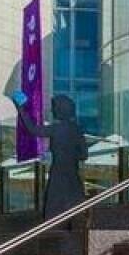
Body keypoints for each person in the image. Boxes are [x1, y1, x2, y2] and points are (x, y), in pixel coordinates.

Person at [12, 91, 87, 219]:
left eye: (54, 108)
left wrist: (21, 109)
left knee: (54, 207)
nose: (52, 111)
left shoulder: (56, 129)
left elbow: (33, 129)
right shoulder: (77, 130)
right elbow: (84, 155)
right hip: (73, 174)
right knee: (75, 207)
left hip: (58, 172)